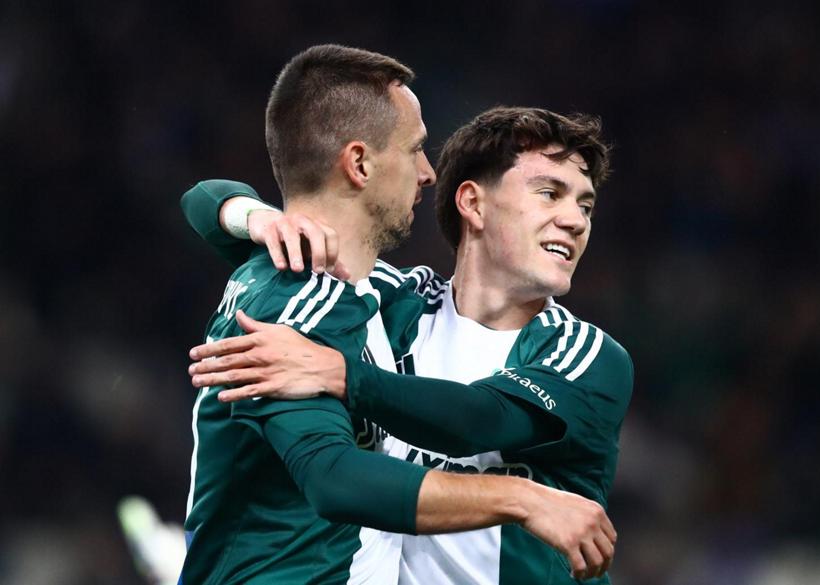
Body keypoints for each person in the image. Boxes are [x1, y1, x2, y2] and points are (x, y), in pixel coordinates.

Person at [180, 45, 616, 585]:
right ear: (473, 204)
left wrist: (248, 217)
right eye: (549, 193)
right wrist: (256, 217)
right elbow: (333, 478)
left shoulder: (584, 353)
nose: (575, 220)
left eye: (585, 205)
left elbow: (480, 419)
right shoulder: (375, 304)